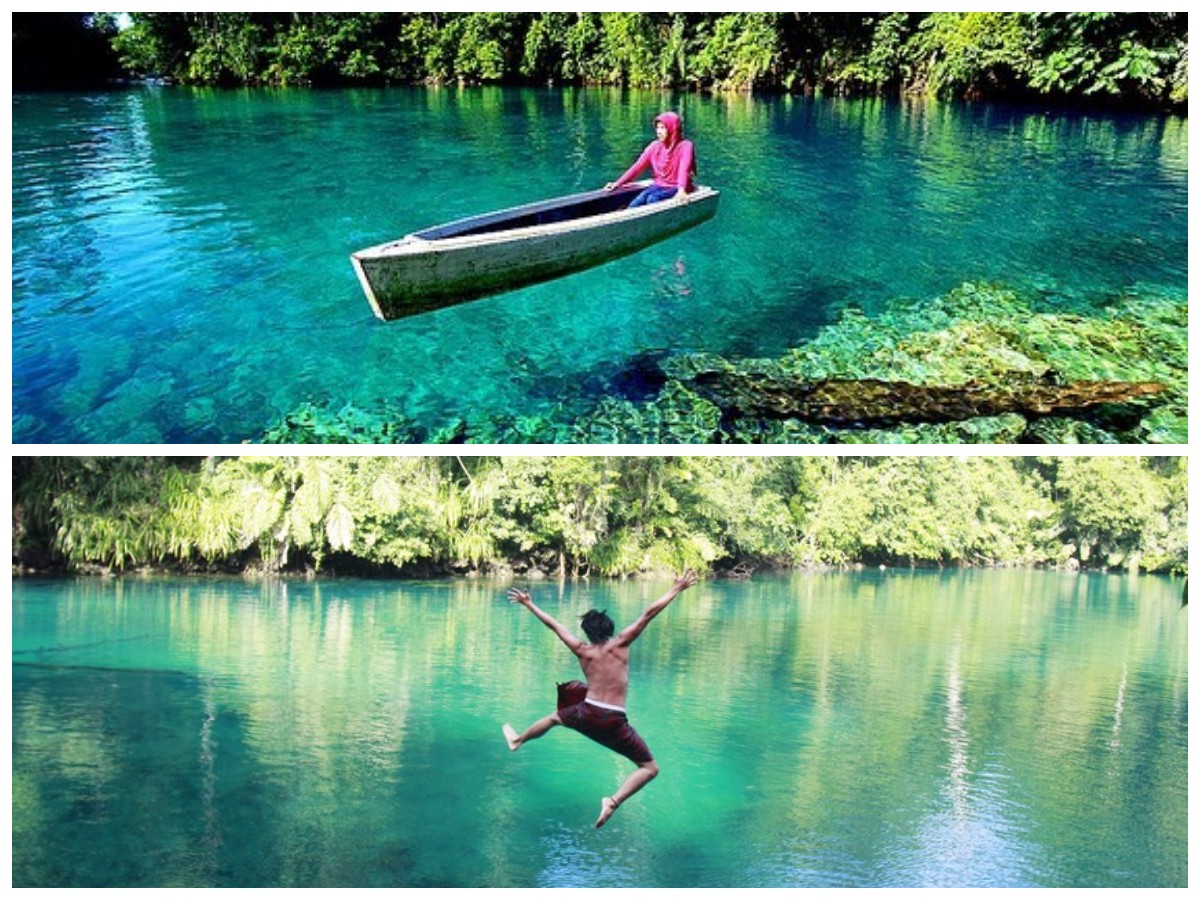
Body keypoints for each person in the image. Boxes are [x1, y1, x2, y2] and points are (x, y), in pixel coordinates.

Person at [502, 570, 699, 828]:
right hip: (613, 719)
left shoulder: (582, 650)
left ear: (587, 632)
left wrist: (529, 604)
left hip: (586, 712)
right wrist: (676, 589)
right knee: (650, 769)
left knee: (554, 717)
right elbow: (649, 613)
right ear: (610, 628)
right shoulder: (621, 643)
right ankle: (613, 802)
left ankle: (518, 740)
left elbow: (554, 626)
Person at [603, 111, 696, 208]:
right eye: (657, 128)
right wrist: (618, 183)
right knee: (638, 201)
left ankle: (658, 221)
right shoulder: (654, 146)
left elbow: (684, 169)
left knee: (653, 198)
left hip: (676, 186)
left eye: (663, 128)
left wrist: (682, 190)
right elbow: (637, 167)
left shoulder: (685, 146)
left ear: (673, 129)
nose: (658, 131)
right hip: (660, 185)